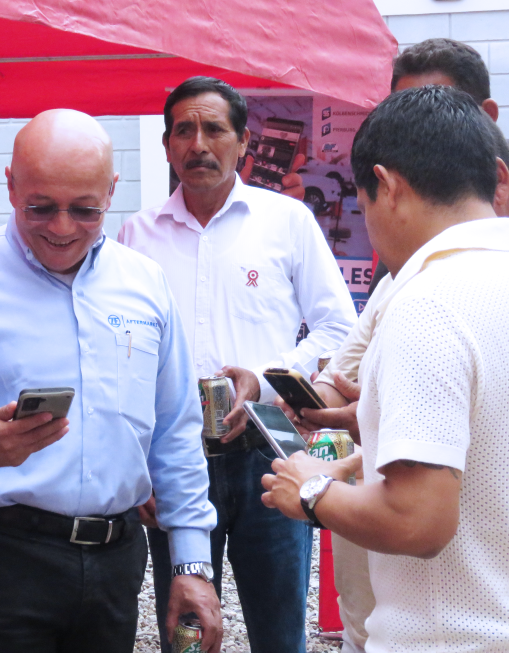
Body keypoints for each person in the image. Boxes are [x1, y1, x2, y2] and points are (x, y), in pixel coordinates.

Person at [263, 85, 509, 652]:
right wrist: (373, 435)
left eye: (364, 205)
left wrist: (312, 489)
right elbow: (505, 446)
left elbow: (417, 520)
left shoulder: (426, 302)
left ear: (387, 185)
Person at [0, 109, 222, 653]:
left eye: (85, 210)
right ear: (11, 186)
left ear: (112, 191)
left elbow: (175, 430)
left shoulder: (145, 284)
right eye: (40, 207)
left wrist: (192, 563)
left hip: (116, 561)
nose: (62, 228)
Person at [118, 76, 356, 653]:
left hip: (267, 456)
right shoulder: (136, 235)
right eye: (183, 130)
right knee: (187, 630)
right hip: (175, 460)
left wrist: (266, 378)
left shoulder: (286, 221)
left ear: (244, 141)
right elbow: (123, 352)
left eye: (214, 129)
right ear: (167, 146)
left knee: (279, 630)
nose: (198, 144)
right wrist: (137, 463)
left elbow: (339, 327)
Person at [367, 37, 509, 295]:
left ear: (487, 116)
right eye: (405, 116)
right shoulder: (408, 203)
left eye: (439, 112)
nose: (420, 130)